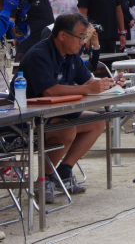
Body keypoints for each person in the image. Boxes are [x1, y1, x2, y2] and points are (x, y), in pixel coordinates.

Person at [12, 14, 123, 201]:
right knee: (67, 129)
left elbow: (88, 81)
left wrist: (109, 84)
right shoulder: (38, 55)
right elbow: (49, 91)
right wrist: (88, 88)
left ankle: (64, 171)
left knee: (97, 121)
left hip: (56, 114)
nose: (83, 42)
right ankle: (44, 179)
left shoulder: (71, 55)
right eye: (80, 37)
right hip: (27, 121)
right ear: (63, 36)